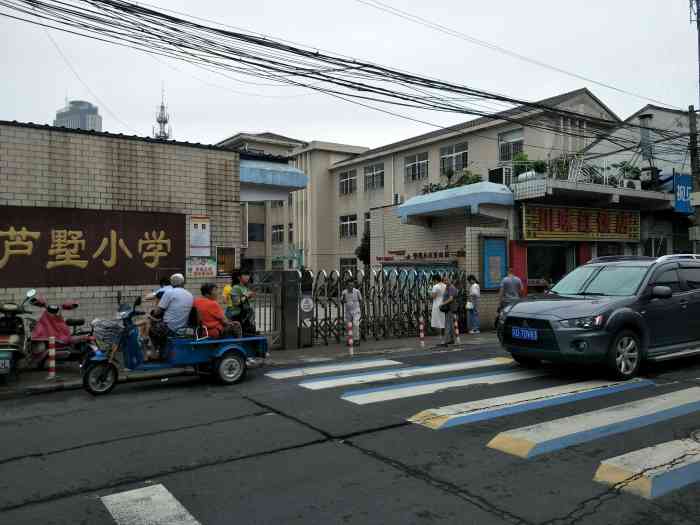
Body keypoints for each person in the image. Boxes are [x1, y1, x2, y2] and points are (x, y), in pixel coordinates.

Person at [149, 273, 194, 359]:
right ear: (183, 282)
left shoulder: (169, 293)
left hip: (169, 328)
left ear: (172, 283)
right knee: (157, 326)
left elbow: (157, 312)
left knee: (151, 330)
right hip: (183, 327)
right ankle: (162, 352)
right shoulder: (189, 294)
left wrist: (151, 314)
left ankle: (154, 353)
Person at [341, 281, 362, 345]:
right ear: (347, 286)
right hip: (348, 311)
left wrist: (361, 309)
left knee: (355, 324)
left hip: (356, 310)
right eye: (349, 286)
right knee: (349, 325)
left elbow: (361, 300)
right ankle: (350, 339)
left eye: (352, 285)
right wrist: (343, 298)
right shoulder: (344, 292)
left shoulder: (357, 291)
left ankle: (356, 339)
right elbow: (342, 301)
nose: (350, 287)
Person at [441, 275, 459, 345]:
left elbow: (451, 298)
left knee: (448, 324)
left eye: (446, 280)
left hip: (450, 308)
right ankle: (452, 339)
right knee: (450, 324)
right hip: (448, 308)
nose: (445, 282)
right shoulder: (447, 287)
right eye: (444, 280)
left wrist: (443, 304)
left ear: (449, 280)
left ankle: (446, 340)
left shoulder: (451, 287)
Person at [430, 274, 446, 339]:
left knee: (437, 320)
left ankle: (439, 335)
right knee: (443, 319)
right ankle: (444, 334)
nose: (433, 282)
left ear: (436, 280)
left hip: (437, 304)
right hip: (444, 303)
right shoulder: (445, 285)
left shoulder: (435, 286)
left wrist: (430, 293)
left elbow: (433, 296)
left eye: (433, 280)